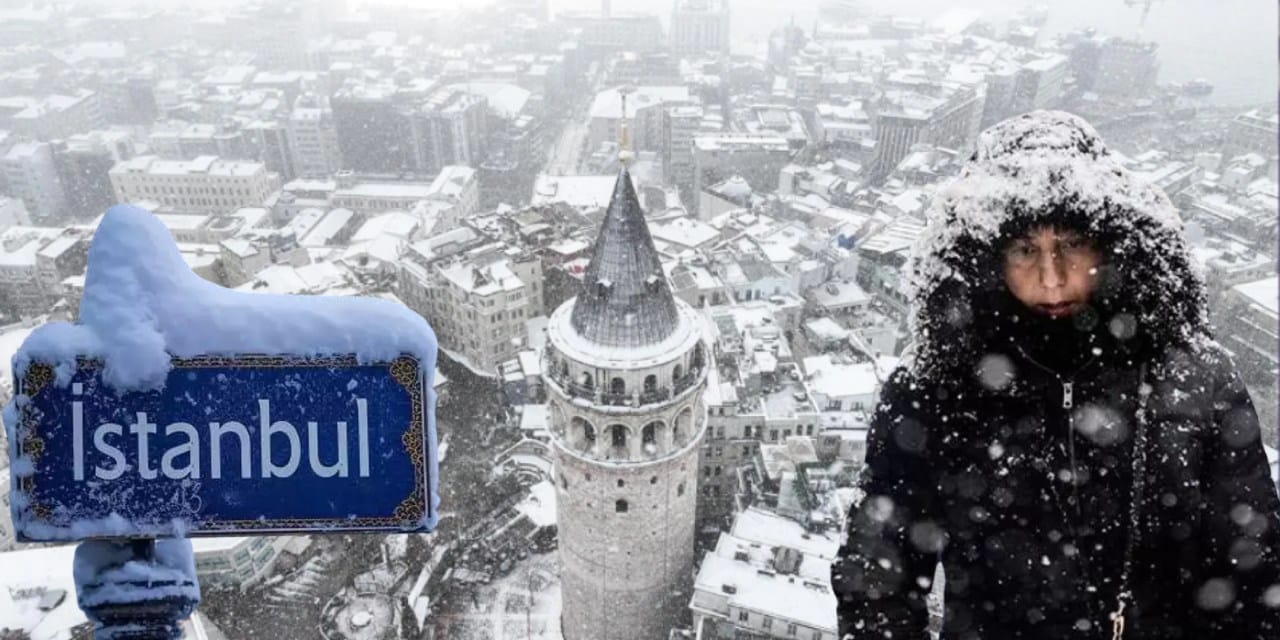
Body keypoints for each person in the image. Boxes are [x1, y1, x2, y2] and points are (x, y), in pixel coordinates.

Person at [830, 111, 1280, 639]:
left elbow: (1255, 577)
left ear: (1114, 244)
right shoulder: (933, 391)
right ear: (984, 259)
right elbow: (879, 582)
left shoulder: (1196, 381)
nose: (1051, 278)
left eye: (1070, 244)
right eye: (1025, 250)